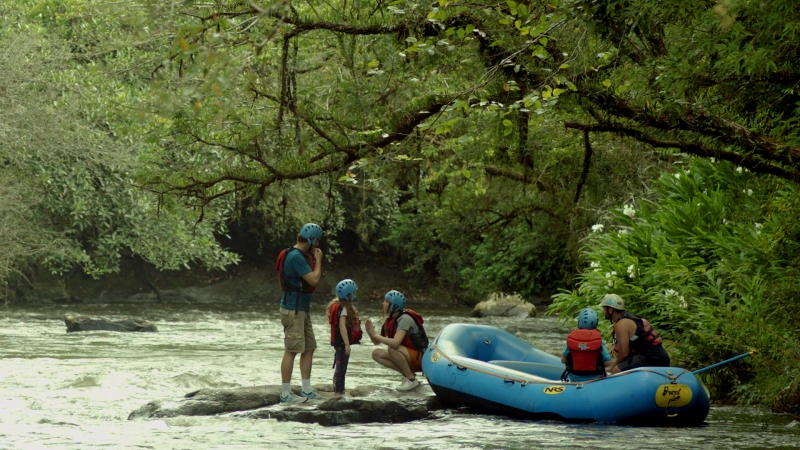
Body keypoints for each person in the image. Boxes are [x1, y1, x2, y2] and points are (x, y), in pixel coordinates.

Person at [276, 223, 324, 403]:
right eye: (317, 241)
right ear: (311, 239)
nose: (318, 245)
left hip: (302, 309)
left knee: (309, 348)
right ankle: (285, 393)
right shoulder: (296, 256)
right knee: (292, 350)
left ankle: (306, 389)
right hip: (293, 310)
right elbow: (314, 280)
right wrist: (318, 260)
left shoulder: (299, 255)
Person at [364, 290, 428, 391]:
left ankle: (411, 380)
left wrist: (375, 335)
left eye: (386, 301)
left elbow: (395, 343)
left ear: (394, 305)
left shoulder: (404, 319)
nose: (383, 303)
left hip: (420, 358)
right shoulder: (390, 319)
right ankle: (407, 375)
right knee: (376, 353)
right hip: (408, 355)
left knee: (392, 348)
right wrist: (370, 333)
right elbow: (377, 342)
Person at [598, 293, 670, 373]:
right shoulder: (630, 318)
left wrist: (612, 367)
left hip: (651, 358)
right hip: (658, 357)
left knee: (616, 370)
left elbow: (623, 353)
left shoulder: (621, 324)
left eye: (604, 309)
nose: (603, 311)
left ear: (610, 310)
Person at [326, 279, 362, 395]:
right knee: (341, 367)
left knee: (340, 365)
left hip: (338, 342)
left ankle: (339, 389)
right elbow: (342, 326)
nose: (354, 295)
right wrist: (347, 344)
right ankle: (339, 390)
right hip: (342, 342)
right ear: (348, 294)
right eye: (353, 292)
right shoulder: (343, 308)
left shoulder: (335, 305)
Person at [560, 308, 612, 382]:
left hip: (574, 377)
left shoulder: (572, 338)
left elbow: (563, 360)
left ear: (579, 322)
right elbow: (608, 362)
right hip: (595, 378)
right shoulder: (599, 340)